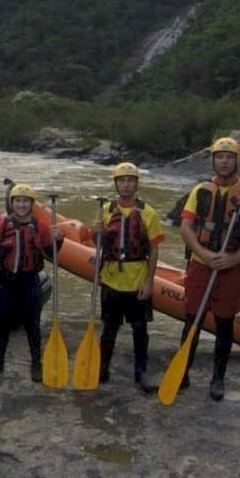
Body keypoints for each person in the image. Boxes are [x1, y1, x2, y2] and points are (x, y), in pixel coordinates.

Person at [178, 137, 240, 400]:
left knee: (225, 324)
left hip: (230, 267)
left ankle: (218, 378)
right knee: (191, 319)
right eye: (219, 157)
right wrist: (203, 253)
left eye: (229, 157)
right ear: (213, 160)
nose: (224, 161)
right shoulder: (200, 191)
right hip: (201, 265)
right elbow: (186, 228)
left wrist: (234, 257)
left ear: (236, 160)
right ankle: (182, 372)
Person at [94, 163, 164, 393]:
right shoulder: (104, 210)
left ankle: (141, 372)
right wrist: (96, 233)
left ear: (136, 183)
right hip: (111, 279)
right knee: (109, 328)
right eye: (122, 180)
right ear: (116, 184)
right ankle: (102, 368)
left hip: (137, 280)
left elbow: (154, 250)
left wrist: (149, 281)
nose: (126, 184)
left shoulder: (148, 213)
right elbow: (97, 244)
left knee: (140, 329)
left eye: (130, 180)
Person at [0, 182, 60, 383]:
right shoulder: (2, 224)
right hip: (7, 280)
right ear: (12, 203)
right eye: (17, 201)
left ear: (31, 204)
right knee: (2, 324)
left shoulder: (40, 226)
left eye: (25, 201)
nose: (21, 205)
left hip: (29, 280)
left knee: (32, 325)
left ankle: (36, 363)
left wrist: (57, 240)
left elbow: (51, 254)